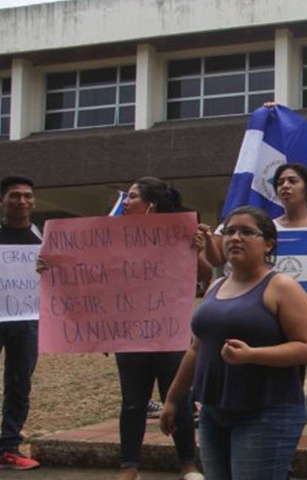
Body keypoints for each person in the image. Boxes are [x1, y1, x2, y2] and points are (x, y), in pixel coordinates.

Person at [205, 164, 307, 480]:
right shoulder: (263, 228)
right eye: (280, 181)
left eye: (293, 180)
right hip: (272, 323)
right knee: (287, 390)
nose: (285, 186)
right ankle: (280, 461)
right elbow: (231, 271)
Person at [161, 206, 307, 480]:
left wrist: (252, 355)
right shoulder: (215, 286)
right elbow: (197, 348)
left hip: (267, 412)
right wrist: (173, 399)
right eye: (230, 231)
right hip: (213, 412)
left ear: (268, 243)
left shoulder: (282, 287)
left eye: (246, 232)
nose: (235, 237)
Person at [108, 177, 207, 480]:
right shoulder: (111, 237)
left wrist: (197, 250)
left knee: (178, 397)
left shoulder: (178, 235)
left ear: (151, 204)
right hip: (130, 333)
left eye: (132, 197)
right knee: (133, 402)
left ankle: (188, 464)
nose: (125, 202)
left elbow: (204, 276)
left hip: (169, 330)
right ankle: (130, 466)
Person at [0, 175, 41, 471]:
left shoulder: (41, 238)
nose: (22, 201)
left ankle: (9, 447)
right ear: (2, 201)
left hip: (27, 320)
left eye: (27, 195)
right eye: (15, 195)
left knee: (19, 385)